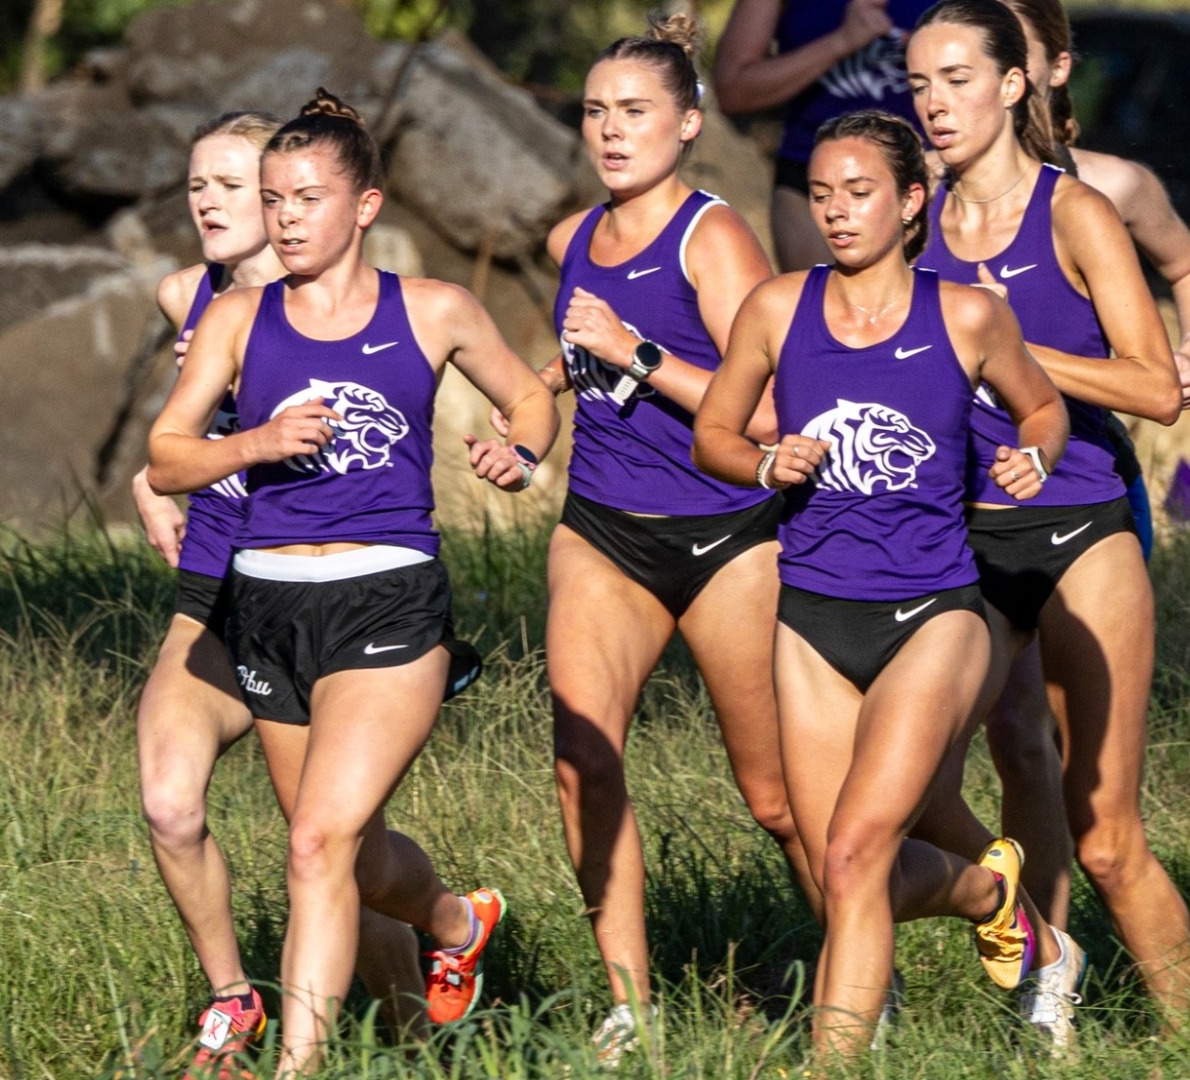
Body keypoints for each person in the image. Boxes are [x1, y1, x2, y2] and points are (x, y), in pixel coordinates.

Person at [146, 90, 560, 1071]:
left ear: (365, 206)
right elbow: (166, 458)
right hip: (266, 613)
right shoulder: (237, 319)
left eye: (306, 199)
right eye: (274, 200)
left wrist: (522, 453)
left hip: (388, 603)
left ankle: (300, 1065)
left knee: (314, 848)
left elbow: (530, 394)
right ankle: (457, 923)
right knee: (353, 855)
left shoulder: (434, 309)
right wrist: (254, 439)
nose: (284, 218)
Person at [692, 109, 1070, 1058]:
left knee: (860, 852)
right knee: (840, 869)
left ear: (911, 202)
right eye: (821, 195)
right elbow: (714, 435)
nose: (836, 212)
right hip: (813, 616)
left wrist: (1034, 454)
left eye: (858, 193)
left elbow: (1044, 405)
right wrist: (764, 461)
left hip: (934, 615)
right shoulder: (778, 308)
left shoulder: (968, 314)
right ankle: (1004, 906)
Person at [903, 0, 1190, 1037]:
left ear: (1016, 84)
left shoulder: (1074, 213)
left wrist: (1007, 343)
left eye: (958, 80)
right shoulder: (916, 216)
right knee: (919, 793)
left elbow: (1157, 387)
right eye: (920, 84)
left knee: (1106, 834)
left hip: (1080, 527)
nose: (935, 104)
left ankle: (1188, 1045)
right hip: (962, 534)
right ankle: (1045, 957)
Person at [537, 15, 817, 1065]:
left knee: (777, 799)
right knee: (581, 758)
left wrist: (638, 350)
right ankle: (630, 1007)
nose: (611, 132)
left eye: (636, 113)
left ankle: (854, 978)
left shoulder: (715, 239)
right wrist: (524, 425)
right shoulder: (573, 239)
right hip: (604, 531)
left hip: (728, 537)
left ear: (688, 124)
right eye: (597, 112)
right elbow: (561, 366)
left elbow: (771, 412)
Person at [132, 110, 422, 1075]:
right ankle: (233, 1001)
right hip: (212, 591)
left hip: (326, 596)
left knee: (333, 851)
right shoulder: (191, 297)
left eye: (231, 186)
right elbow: (170, 442)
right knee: (172, 803)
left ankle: (424, 1031)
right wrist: (150, 484)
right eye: (197, 186)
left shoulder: (344, 308)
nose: (210, 204)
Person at [974, 0, 1190, 947]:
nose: (996, 82)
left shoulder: (1106, 189)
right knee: (1017, 751)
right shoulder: (934, 203)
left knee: (1096, 802)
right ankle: (1047, 970)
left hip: (1085, 496)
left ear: (1050, 68)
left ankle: (1142, 1001)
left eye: (1008, 60)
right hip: (972, 514)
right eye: (942, 75)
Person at [714, 0, 937, 271]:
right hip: (811, 180)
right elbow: (732, 89)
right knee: (823, 310)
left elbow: (994, 67)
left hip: (933, 174)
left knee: (938, 308)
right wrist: (843, 41)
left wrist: (935, 54)